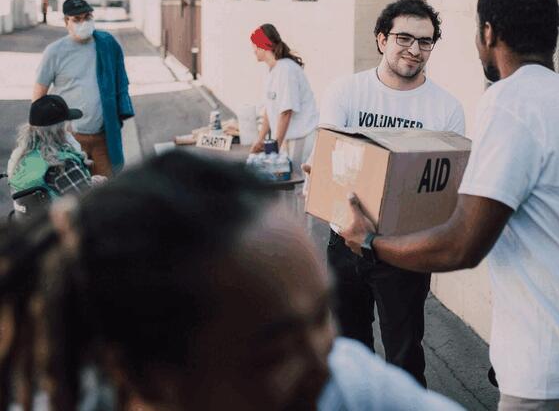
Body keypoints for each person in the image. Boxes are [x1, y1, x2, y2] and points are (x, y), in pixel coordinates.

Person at [341, 0, 559, 411]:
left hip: (554, 363)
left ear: (488, 32)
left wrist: (370, 243)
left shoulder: (509, 100)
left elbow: (462, 245)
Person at [0, 151, 463, 411]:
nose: (324, 359)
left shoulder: (341, 381)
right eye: (275, 350)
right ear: (148, 377)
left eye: (323, 313)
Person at [315, 0, 465, 386]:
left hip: (406, 250)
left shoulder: (446, 109)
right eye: (404, 38)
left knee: (404, 356)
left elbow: (444, 188)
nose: (415, 50)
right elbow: (328, 164)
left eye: (426, 42)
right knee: (349, 352)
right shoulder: (346, 92)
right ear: (381, 39)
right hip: (344, 240)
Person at [32, 0, 134, 177]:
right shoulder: (55, 52)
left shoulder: (106, 44)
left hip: (103, 136)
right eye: (76, 19)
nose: (83, 23)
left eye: (87, 17)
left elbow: (120, 80)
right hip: (69, 140)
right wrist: (42, 137)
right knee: (74, 192)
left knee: (107, 191)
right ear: (66, 22)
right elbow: (39, 97)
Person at [250, 24, 319, 168]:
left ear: (264, 45)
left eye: (255, 46)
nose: (253, 50)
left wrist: (275, 150)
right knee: (285, 185)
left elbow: (286, 112)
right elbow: (269, 111)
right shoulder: (273, 71)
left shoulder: (286, 70)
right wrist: (261, 140)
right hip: (288, 139)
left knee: (295, 185)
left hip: (301, 137)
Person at [7, 94, 97, 199]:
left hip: (34, 215)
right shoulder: (61, 165)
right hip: (61, 215)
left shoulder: (20, 157)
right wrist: (99, 185)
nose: (72, 128)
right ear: (60, 130)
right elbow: (89, 202)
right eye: (68, 124)